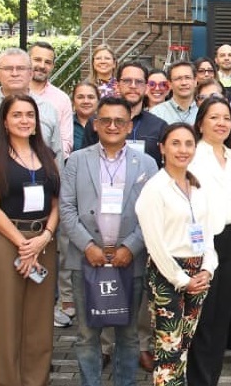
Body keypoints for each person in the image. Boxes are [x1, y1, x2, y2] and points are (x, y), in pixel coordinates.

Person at [60, 96, 160, 386]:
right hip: (86, 260)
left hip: (130, 260)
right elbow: (66, 208)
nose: (112, 126)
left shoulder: (147, 163)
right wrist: (88, 246)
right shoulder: (77, 160)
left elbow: (153, 211)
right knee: (86, 334)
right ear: (95, 124)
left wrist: (130, 247)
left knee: (128, 335)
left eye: (119, 121)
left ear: (129, 126)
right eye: (106, 120)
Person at [0, 93, 62, 386]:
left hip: (43, 242)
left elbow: (57, 203)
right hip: (6, 241)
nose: (24, 120)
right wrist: (23, 245)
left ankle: (36, 380)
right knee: (6, 320)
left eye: (29, 115)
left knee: (39, 321)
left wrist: (44, 237)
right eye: (17, 115)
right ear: (4, 121)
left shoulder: (47, 155)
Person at [136, 124, 227, 386]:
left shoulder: (197, 186)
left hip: (198, 273)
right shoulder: (154, 189)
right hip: (168, 274)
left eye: (188, 143)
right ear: (162, 148)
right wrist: (182, 280)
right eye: (175, 143)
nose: (183, 149)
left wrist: (207, 268)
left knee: (184, 344)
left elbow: (208, 234)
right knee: (169, 350)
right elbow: (155, 245)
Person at [184, 97, 231, 386]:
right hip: (201, 241)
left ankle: (210, 378)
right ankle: (198, 379)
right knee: (202, 315)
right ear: (200, 123)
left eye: (226, 118)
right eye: (214, 117)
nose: (221, 123)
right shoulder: (191, 156)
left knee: (223, 315)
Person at [0, 47, 63, 160]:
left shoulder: (47, 109)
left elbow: (57, 156)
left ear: (31, 74)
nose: (15, 73)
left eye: (21, 68)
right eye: (8, 68)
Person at [28, 41, 74, 155]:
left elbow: (66, 141)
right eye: (37, 60)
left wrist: (49, 160)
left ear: (53, 66)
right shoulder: (14, 93)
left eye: (47, 62)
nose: (42, 66)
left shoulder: (62, 99)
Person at [150, 61, 201, 125]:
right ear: (169, 84)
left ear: (195, 81)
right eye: (178, 78)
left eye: (188, 78)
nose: (184, 83)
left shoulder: (204, 111)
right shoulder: (157, 113)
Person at [73, 81, 100, 151]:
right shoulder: (66, 124)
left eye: (91, 97)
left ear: (98, 101)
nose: (86, 101)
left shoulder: (107, 124)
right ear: (73, 101)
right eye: (80, 97)